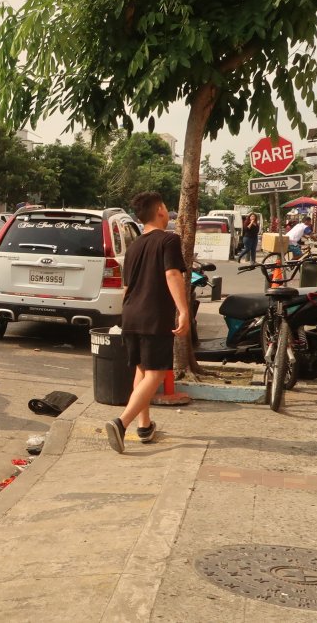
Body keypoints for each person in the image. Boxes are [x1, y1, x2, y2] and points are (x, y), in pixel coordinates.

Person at [104, 192, 189, 454]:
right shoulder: (169, 240)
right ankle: (122, 423)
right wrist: (183, 310)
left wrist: (125, 315)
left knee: (141, 370)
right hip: (154, 315)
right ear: (161, 209)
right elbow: (172, 273)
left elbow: (126, 286)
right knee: (156, 372)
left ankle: (144, 425)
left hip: (131, 314)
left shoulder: (134, 246)